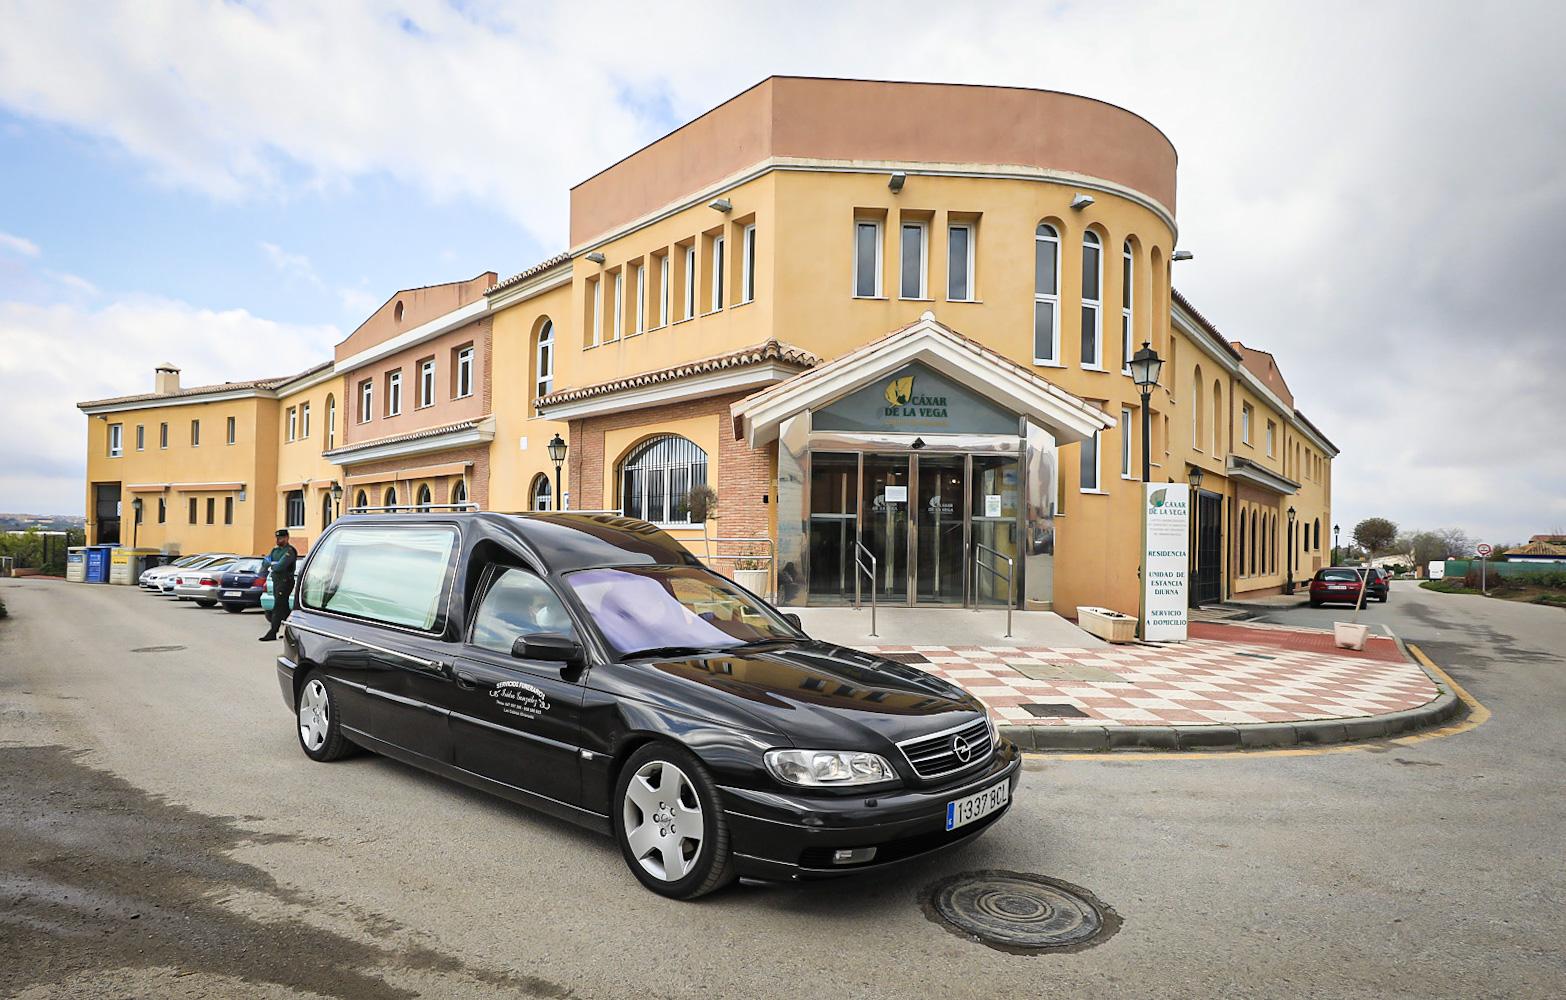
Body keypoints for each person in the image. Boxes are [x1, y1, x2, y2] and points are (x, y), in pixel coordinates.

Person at [259, 528, 299, 642]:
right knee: (284, 608)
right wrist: (272, 564)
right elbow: (265, 561)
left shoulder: (290, 551)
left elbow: (281, 566)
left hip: (285, 581)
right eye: (277, 538)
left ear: (287, 538)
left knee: (278, 606)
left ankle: (272, 632)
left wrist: (272, 565)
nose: (278, 540)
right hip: (276, 581)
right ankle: (293, 630)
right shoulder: (275, 550)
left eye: (280, 538)